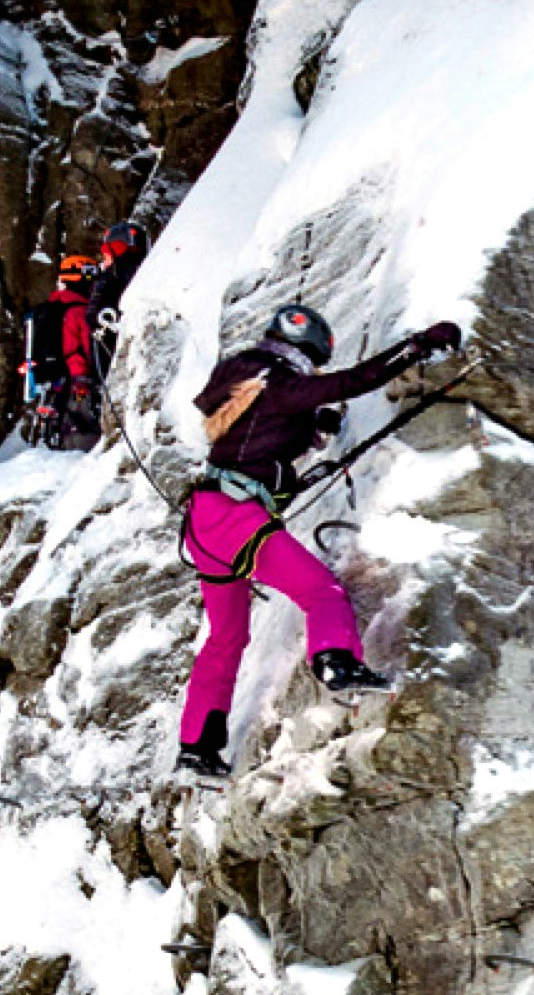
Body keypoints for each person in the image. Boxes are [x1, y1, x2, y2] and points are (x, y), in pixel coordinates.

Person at [176, 305, 462, 777]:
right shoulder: (283, 384)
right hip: (237, 518)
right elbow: (351, 382)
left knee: (226, 638)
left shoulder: (238, 378)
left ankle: (197, 746)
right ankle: (337, 662)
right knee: (320, 591)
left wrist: (313, 432)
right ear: (310, 352)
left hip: (206, 520)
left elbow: (262, 439)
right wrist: (417, 347)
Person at [20, 255, 100, 449]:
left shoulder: (50, 308)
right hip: (76, 375)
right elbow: (85, 346)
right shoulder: (80, 311)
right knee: (81, 424)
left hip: (52, 377)